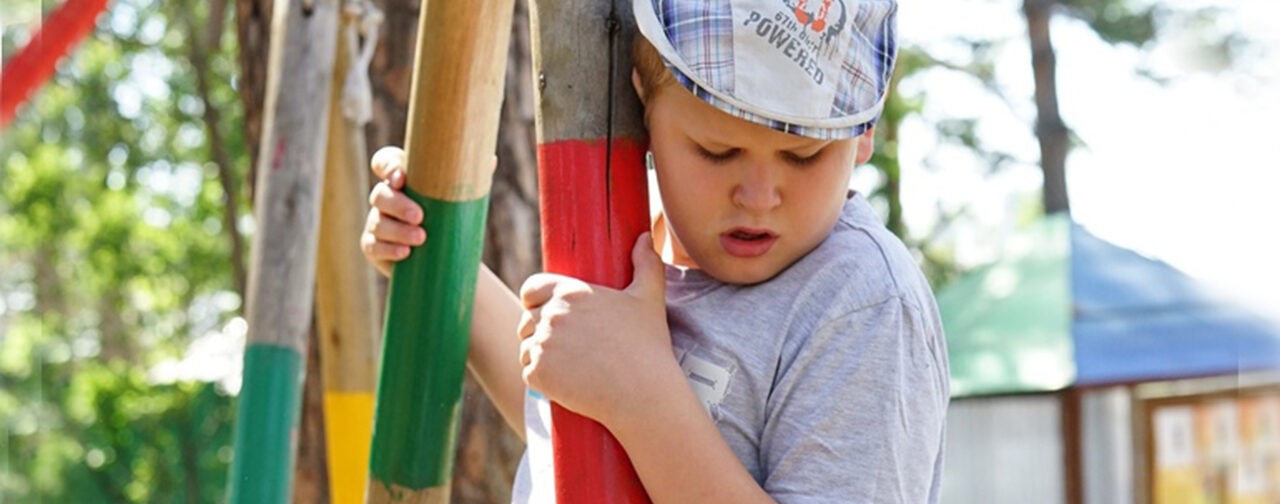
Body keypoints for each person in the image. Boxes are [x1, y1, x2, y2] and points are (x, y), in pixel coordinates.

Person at [361, 0, 949, 502]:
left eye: (803, 157)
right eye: (716, 151)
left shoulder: (862, 302)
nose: (758, 196)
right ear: (644, 104)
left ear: (863, 130)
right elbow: (571, 433)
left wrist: (641, 395)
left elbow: (620, 402)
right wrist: (436, 250)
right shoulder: (636, 242)